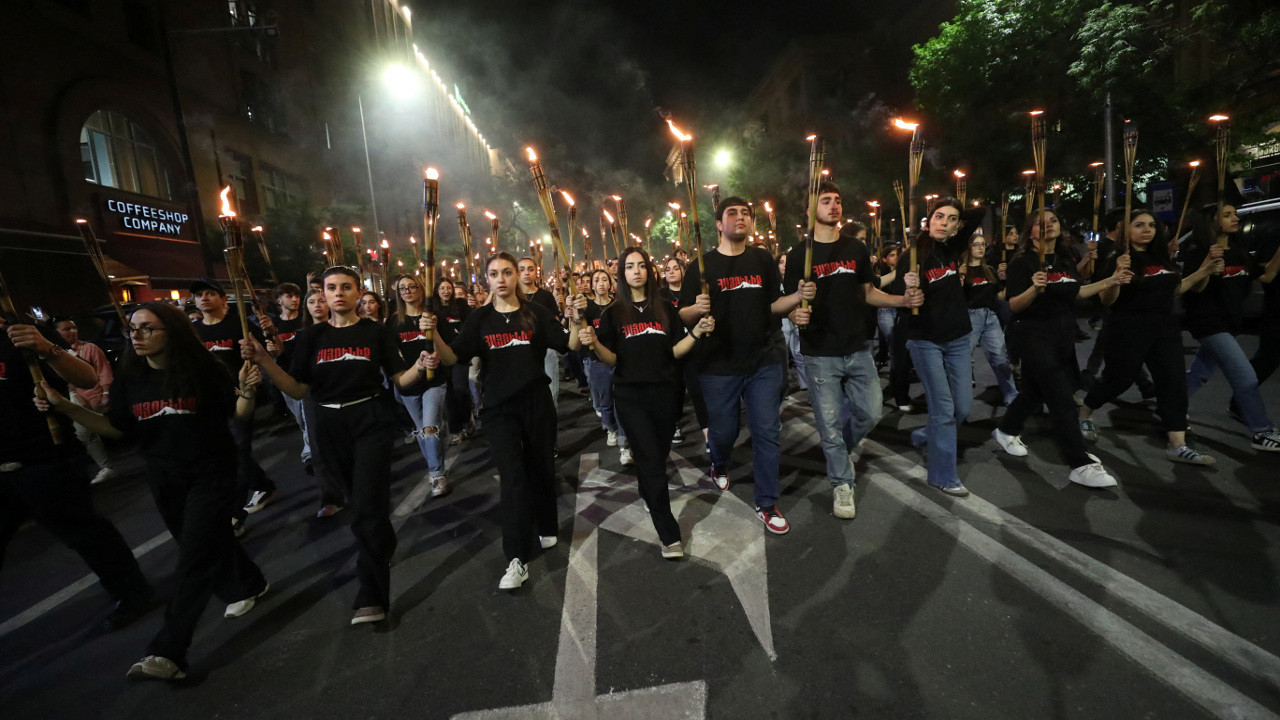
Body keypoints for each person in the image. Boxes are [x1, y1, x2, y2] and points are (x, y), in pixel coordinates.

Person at [37, 302, 269, 682]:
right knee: (202, 541)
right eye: (133, 329)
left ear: (172, 331)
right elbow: (117, 430)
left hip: (211, 473)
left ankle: (169, 650)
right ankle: (251, 582)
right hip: (164, 478)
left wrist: (247, 392)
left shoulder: (205, 369)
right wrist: (64, 407)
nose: (138, 336)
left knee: (194, 557)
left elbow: (238, 415)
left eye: (148, 328)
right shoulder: (131, 377)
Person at [242, 266, 439, 625]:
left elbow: (401, 380)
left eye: (345, 287)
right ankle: (383, 541)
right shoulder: (310, 338)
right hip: (329, 427)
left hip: (371, 422)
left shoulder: (376, 332)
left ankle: (372, 596)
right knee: (358, 504)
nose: (337, 293)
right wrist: (264, 360)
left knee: (366, 508)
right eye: (330, 287)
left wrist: (422, 364)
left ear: (357, 292)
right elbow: (300, 389)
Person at [423, 252, 582, 590]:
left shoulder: (535, 313)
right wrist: (435, 334)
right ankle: (516, 557)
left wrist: (577, 319)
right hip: (498, 410)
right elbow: (454, 357)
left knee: (541, 470)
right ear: (486, 279)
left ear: (518, 276)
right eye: (494, 273)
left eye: (507, 272)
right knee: (512, 480)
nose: (501, 278)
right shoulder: (479, 319)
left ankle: (547, 526)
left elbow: (566, 346)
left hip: (536, 403)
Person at [0, 316, 153, 633]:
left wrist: (46, 348)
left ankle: (134, 594)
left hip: (43, 457)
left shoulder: (21, 332)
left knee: (86, 533)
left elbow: (87, 378)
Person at [785, 181, 921, 519]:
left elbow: (868, 292)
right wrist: (794, 313)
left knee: (870, 413)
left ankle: (837, 452)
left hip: (858, 347)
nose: (834, 206)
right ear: (810, 210)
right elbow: (790, 303)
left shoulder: (856, 249)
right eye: (826, 200)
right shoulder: (798, 254)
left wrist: (902, 300)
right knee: (829, 424)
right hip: (819, 352)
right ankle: (842, 484)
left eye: (837, 200)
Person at [680, 197, 814, 534]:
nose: (741, 218)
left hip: (762, 361)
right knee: (723, 432)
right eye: (732, 213)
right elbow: (681, 314)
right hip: (718, 365)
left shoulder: (762, 259)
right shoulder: (701, 265)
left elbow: (773, 306)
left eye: (746, 214)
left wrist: (798, 297)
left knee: (767, 431)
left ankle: (767, 502)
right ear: (718, 225)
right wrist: (697, 309)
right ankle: (719, 461)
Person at [578, 247, 715, 558]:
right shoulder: (613, 313)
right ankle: (669, 534)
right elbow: (612, 359)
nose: (636, 271)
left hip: (667, 393)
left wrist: (696, 332)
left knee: (658, 453)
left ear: (650, 272)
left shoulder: (666, 307)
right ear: (622, 274)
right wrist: (596, 343)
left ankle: (647, 487)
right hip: (630, 396)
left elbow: (675, 351)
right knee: (652, 460)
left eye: (641, 265)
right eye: (629, 266)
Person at [990, 209, 1131, 487]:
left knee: (1033, 393)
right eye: (1040, 224)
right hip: (1032, 336)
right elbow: (1014, 305)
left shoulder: (1065, 257)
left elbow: (1077, 291)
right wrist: (1033, 287)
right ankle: (1079, 463)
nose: (1048, 225)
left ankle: (1006, 429)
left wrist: (1112, 279)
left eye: (1053, 220)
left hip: (1062, 336)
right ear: (1030, 232)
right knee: (1061, 397)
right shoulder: (1023, 262)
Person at [1077, 210, 1222, 465]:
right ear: (1126, 230)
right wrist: (1115, 278)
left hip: (1165, 328)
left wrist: (1205, 269)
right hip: (1128, 328)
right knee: (1117, 380)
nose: (1147, 229)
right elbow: (1107, 300)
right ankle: (1085, 412)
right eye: (1139, 225)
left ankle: (1177, 444)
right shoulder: (1118, 258)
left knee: (1173, 382)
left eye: (1152, 225)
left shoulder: (1161, 256)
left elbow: (1175, 289)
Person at [883, 197, 976, 496]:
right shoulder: (914, 254)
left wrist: (955, 209)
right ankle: (942, 474)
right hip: (925, 340)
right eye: (938, 216)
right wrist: (909, 287)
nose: (944, 223)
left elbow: (980, 212)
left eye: (951, 219)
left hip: (959, 337)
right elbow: (899, 298)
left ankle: (927, 435)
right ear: (928, 220)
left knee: (962, 406)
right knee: (944, 409)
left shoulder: (951, 246)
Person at [1183, 204, 1280, 452]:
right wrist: (1207, 264)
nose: (1235, 218)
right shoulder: (1198, 252)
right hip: (1209, 323)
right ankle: (1261, 431)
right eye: (1227, 215)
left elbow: (1267, 276)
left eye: (1234, 213)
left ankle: (1170, 408)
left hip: (1229, 323)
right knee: (1246, 376)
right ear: (1210, 222)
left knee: (1199, 374)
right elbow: (1197, 289)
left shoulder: (1239, 251)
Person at [190, 278, 276, 533]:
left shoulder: (238, 325)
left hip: (239, 396)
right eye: (198, 295)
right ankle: (264, 485)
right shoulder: (193, 331)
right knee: (224, 452)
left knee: (237, 451)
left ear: (223, 299)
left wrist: (269, 334)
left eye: (209, 293)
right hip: (207, 401)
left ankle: (234, 516)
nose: (203, 298)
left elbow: (266, 351)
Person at [388, 274, 452, 497]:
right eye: (402, 288)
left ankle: (436, 473)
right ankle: (435, 462)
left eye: (412, 287)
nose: (407, 291)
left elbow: (449, 352)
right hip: (408, 384)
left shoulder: (435, 318)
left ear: (421, 288)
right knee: (422, 431)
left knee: (430, 427)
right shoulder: (393, 322)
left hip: (434, 382)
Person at [53, 317, 117, 484]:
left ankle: (102, 468)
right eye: (66, 329)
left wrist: (105, 393)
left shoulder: (89, 348)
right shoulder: (55, 353)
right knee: (89, 434)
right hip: (71, 400)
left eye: (73, 328)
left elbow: (104, 371)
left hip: (92, 397)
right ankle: (106, 467)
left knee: (83, 434)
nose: (72, 331)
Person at [960, 228, 1019, 406]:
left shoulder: (990, 270)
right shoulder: (962, 270)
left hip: (991, 317)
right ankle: (959, 398)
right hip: (970, 317)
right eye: (976, 244)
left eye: (983, 244)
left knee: (1000, 358)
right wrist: (959, 279)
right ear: (968, 247)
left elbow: (1000, 296)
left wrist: (1007, 279)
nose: (980, 248)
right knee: (962, 359)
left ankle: (1012, 395)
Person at [581, 268, 630, 463]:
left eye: (604, 279)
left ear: (611, 284)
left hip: (618, 360)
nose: (600, 283)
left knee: (621, 401)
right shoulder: (587, 309)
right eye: (596, 280)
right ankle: (610, 428)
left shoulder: (619, 307)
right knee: (605, 401)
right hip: (596, 362)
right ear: (592, 285)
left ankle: (624, 443)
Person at [428, 278, 475, 441]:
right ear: (436, 291)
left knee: (460, 389)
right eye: (442, 288)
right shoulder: (432, 308)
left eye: (449, 288)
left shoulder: (461, 305)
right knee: (448, 394)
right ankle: (456, 429)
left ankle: (466, 418)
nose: (446, 291)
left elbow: (471, 323)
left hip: (459, 353)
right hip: (440, 354)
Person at [518, 257, 563, 415]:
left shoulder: (545, 296)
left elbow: (555, 322)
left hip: (546, 349)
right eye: (522, 269)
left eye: (530, 269)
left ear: (536, 272)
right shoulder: (512, 299)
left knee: (551, 393)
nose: (526, 273)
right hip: (522, 350)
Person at [271, 283, 308, 473]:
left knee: (308, 415)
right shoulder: (274, 325)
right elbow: (276, 351)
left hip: (308, 376)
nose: (294, 299)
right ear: (279, 300)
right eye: (288, 296)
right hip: (286, 376)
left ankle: (310, 453)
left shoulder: (305, 321)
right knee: (300, 419)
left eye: (297, 295)